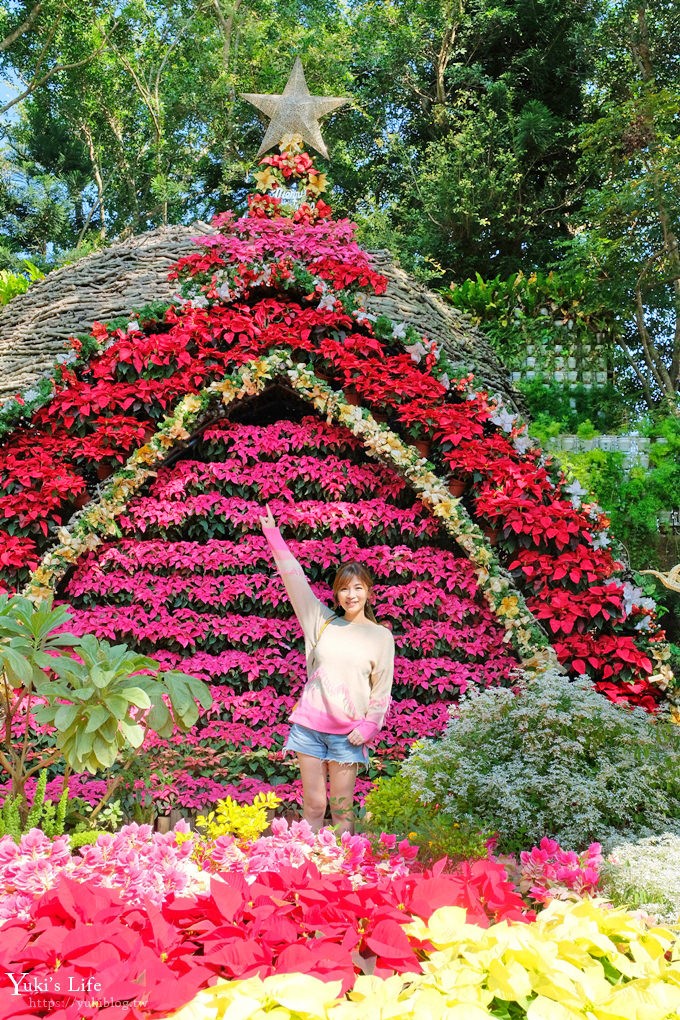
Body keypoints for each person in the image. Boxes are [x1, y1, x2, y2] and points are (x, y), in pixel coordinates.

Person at [259, 504, 395, 834]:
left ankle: (344, 872)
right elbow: (295, 582)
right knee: (315, 805)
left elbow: (382, 692)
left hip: (349, 735)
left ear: (368, 592)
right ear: (336, 593)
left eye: (358, 587)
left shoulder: (380, 636)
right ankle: (311, 867)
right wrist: (273, 535)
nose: (351, 594)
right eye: (345, 588)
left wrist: (368, 728)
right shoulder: (320, 621)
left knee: (342, 809)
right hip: (308, 727)